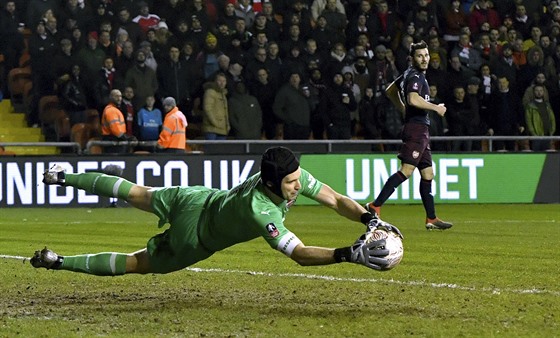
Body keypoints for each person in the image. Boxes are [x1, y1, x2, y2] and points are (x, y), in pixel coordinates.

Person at [30, 147, 402, 275]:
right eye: (290, 183)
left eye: (297, 179)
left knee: (136, 192)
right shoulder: (262, 212)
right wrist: (346, 255)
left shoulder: (286, 175)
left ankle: (64, 176)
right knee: (137, 264)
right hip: (196, 238)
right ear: (271, 184)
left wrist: (368, 218)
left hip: (197, 198)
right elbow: (301, 255)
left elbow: (336, 200)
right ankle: (59, 261)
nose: (298, 186)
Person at [364, 40, 453, 230]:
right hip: (416, 129)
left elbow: (390, 91)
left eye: (426, 55)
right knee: (407, 170)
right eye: (420, 56)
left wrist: (402, 108)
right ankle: (375, 205)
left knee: (428, 173)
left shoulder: (408, 74)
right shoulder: (416, 76)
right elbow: (413, 98)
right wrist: (435, 107)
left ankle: (431, 218)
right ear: (411, 59)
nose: (424, 59)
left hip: (420, 128)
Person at [101, 89, 136, 154]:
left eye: (120, 96)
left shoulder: (115, 110)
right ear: (111, 97)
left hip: (117, 140)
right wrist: (126, 138)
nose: (119, 98)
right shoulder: (111, 110)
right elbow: (115, 129)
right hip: (113, 141)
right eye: (116, 96)